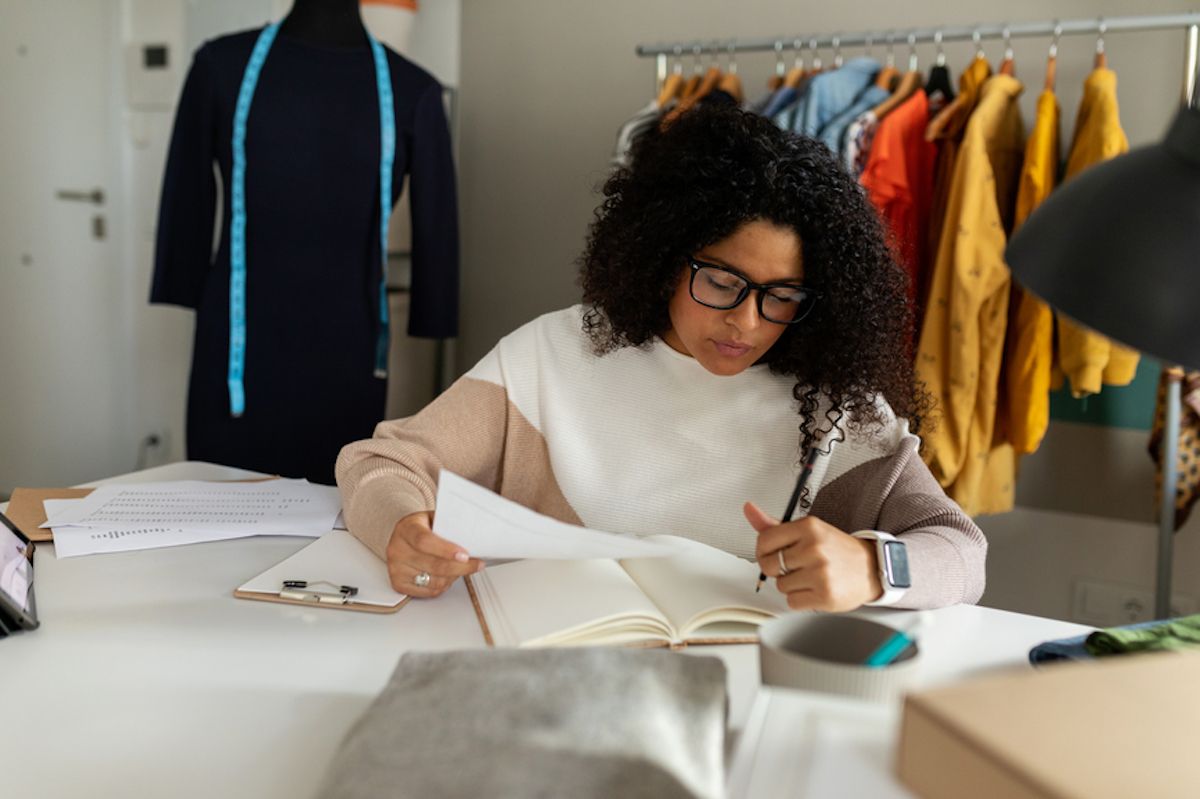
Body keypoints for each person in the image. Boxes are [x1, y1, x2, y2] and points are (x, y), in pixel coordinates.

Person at [336, 104, 986, 611]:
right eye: (723, 283)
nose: (747, 320)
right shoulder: (552, 354)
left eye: (781, 296)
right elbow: (382, 460)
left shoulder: (835, 405)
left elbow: (961, 552)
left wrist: (876, 568)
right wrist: (401, 527)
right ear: (665, 257)